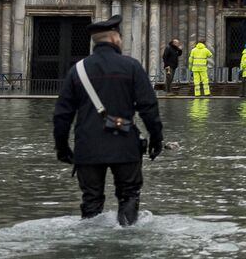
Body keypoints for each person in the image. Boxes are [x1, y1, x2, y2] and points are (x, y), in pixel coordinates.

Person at [52, 14, 164, 227]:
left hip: (88, 147)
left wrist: (62, 148)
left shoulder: (78, 70)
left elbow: (61, 115)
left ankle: (90, 241)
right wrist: (156, 140)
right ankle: (127, 233)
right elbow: (149, 108)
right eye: (120, 37)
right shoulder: (131, 67)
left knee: (91, 200)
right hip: (125, 145)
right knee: (129, 195)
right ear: (114, 39)